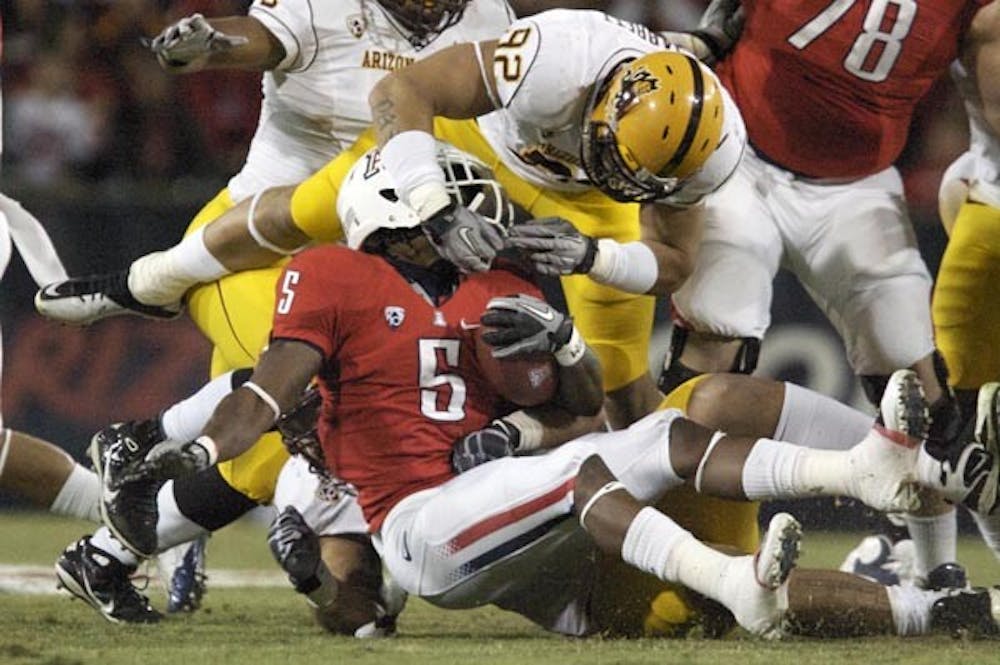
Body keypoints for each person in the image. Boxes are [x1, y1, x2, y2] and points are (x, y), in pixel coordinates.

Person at [83, 145, 1000, 639]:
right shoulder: (330, 277)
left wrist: (563, 347)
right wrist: (199, 455)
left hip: (525, 517)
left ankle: (886, 515)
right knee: (590, 475)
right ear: (393, 211)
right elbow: (268, 395)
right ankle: (738, 573)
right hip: (423, 526)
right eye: (451, 198)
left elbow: (580, 412)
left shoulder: (497, 283)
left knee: (653, 439)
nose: (476, 213)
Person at [36, 0, 518, 617]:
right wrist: (213, 42)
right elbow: (259, 36)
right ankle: (138, 442)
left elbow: (515, 118)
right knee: (311, 397)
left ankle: (104, 555)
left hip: (371, 266)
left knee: (279, 459)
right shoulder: (323, 8)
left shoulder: (490, 17)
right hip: (250, 253)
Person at [641, 0, 998, 582]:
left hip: (857, 185)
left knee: (919, 385)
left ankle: (938, 574)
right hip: (739, 150)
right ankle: (676, 547)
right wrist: (713, 33)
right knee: (711, 345)